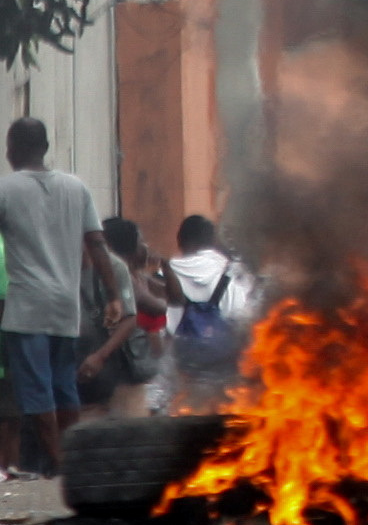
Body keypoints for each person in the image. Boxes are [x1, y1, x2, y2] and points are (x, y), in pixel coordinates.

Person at [1, 118, 120, 482]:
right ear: (47, 147)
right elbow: (97, 243)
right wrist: (114, 294)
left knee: (36, 390)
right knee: (64, 385)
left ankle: (59, 461)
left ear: (12, 149)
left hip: (27, 310)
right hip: (66, 309)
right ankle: (70, 456)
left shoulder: (6, 189)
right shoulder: (77, 187)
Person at [76, 215, 166, 417]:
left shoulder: (117, 268)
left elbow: (136, 315)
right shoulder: (59, 264)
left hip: (121, 373)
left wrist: (100, 356)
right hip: (78, 371)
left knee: (128, 433)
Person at [162, 215, 254, 412]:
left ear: (180, 240)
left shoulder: (165, 274)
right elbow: (244, 320)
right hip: (224, 373)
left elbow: (160, 326)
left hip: (178, 373)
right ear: (213, 241)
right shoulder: (234, 274)